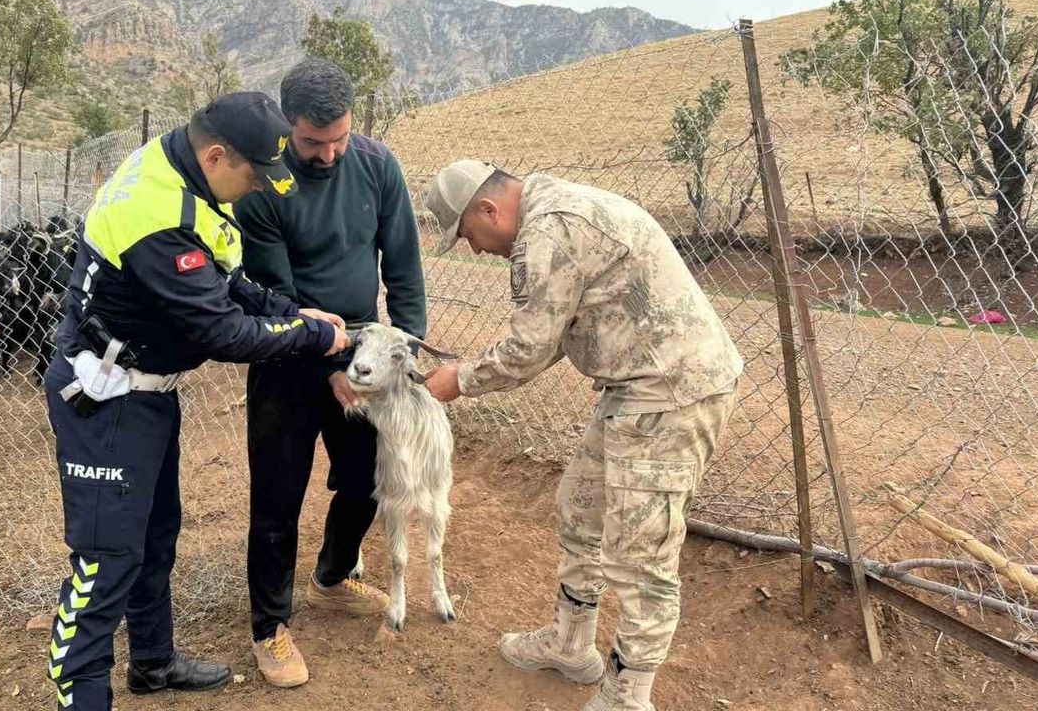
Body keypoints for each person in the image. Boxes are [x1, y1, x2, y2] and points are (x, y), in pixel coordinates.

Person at [42, 91, 350, 711]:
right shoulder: (155, 215)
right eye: (254, 175)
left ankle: (152, 663)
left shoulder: (181, 170)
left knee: (155, 536)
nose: (258, 187)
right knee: (105, 561)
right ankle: (82, 698)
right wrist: (313, 334)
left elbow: (225, 279)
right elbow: (223, 331)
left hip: (148, 393)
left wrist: (293, 311)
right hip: (107, 399)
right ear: (216, 156)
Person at [422, 160, 743, 711]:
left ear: (488, 210)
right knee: (580, 508)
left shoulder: (548, 230)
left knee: (641, 554)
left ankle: (628, 695)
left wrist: (462, 380)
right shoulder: (554, 209)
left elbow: (529, 348)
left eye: (469, 235)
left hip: (671, 391)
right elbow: (551, 335)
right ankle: (571, 643)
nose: (475, 248)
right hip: (636, 387)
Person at [233, 58, 426, 687]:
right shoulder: (262, 183)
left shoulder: (377, 165)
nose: (329, 153)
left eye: (339, 137)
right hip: (286, 359)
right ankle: (269, 626)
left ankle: (333, 576)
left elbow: (403, 267)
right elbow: (275, 295)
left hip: (364, 360)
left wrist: (404, 356)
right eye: (314, 142)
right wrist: (328, 369)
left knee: (370, 477)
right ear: (288, 126)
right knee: (278, 498)